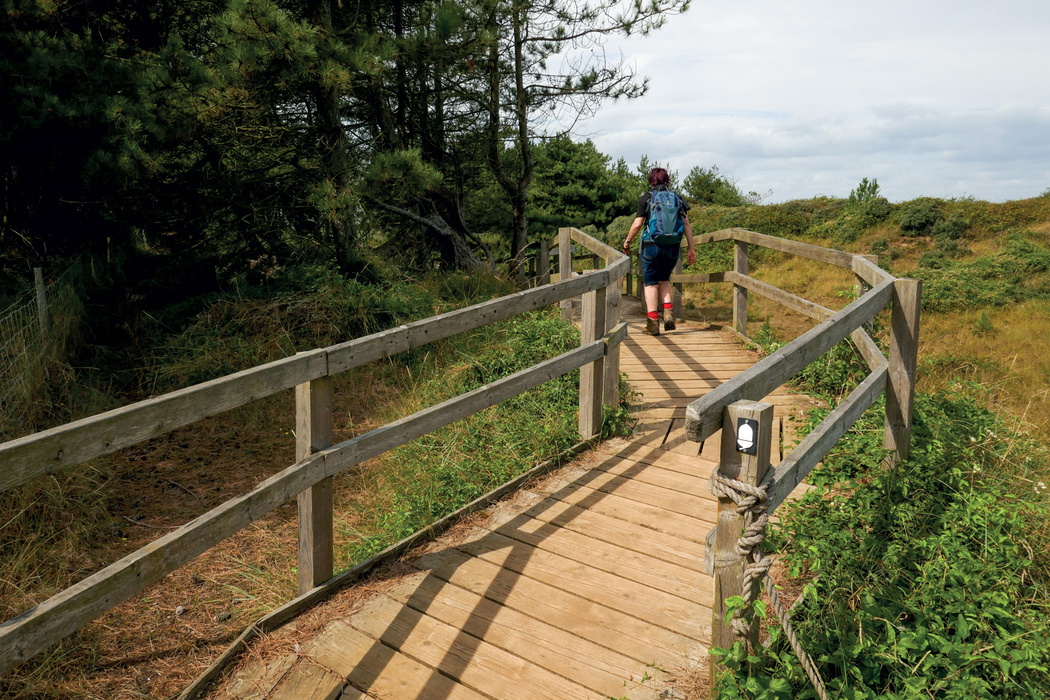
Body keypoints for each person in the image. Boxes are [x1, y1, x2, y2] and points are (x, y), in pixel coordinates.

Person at [621, 167, 696, 336]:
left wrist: (627, 242)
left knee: (650, 283)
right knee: (664, 279)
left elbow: (638, 224)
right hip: (672, 246)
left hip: (651, 246)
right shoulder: (676, 197)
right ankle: (668, 314)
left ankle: (653, 323)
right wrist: (691, 248)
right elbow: (686, 224)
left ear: (651, 180)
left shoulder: (647, 197)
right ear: (667, 180)